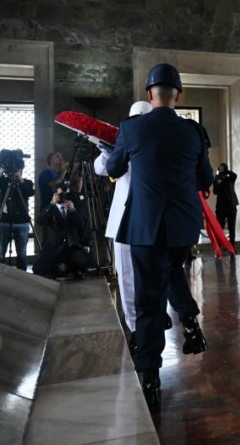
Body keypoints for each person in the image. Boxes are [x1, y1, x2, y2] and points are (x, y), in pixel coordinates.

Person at [107, 63, 213, 413]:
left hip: (144, 227)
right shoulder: (194, 132)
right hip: (182, 227)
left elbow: (113, 169)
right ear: (178, 96)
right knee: (171, 271)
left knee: (148, 302)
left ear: (150, 94)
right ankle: (190, 322)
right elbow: (204, 179)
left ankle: (150, 375)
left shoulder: (131, 129)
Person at [95, 100, 175, 354]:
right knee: (128, 278)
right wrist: (108, 151)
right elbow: (100, 168)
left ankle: (155, 317)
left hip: (152, 220)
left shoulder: (160, 143)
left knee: (156, 274)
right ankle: (135, 328)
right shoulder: (123, 139)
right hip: (124, 220)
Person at [33, 186, 93, 280]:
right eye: (60, 194)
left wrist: (73, 210)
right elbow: (40, 221)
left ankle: (66, 268)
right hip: (54, 247)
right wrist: (52, 204)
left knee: (83, 261)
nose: (64, 196)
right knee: (38, 268)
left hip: (72, 247)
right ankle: (62, 269)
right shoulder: (49, 208)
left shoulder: (74, 207)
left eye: (66, 194)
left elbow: (82, 226)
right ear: (54, 195)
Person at [0, 166, 34, 271]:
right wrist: (1, 172)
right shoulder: (4, 181)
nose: (14, 172)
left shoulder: (27, 182)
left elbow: (29, 192)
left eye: (17, 170)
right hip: (3, 221)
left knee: (22, 253)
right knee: (0, 254)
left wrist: (20, 179)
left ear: (21, 171)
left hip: (22, 222)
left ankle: (21, 276)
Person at [212, 163, 238, 244]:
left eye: (224, 168)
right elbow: (215, 191)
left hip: (231, 206)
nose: (222, 170)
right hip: (221, 207)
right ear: (219, 169)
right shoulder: (217, 178)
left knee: (232, 228)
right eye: (221, 168)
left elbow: (234, 175)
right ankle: (219, 247)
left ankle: (232, 247)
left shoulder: (230, 178)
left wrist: (227, 172)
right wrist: (218, 182)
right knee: (219, 228)